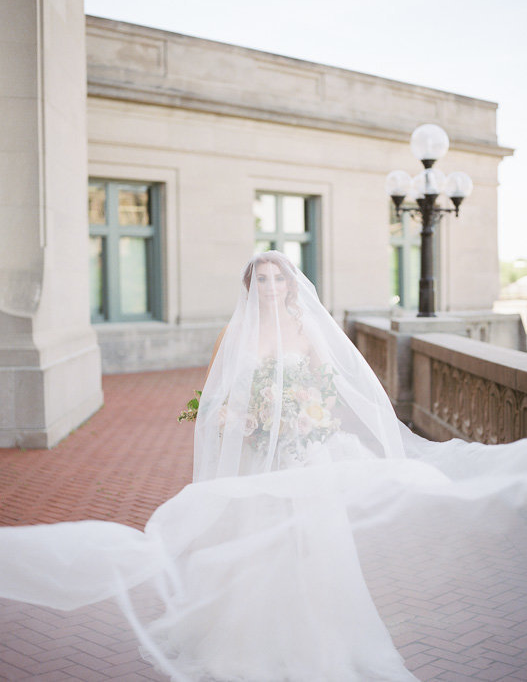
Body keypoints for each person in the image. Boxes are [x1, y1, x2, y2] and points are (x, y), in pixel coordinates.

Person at [1, 251, 527, 681]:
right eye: (262, 277)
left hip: (306, 453)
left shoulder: (306, 331)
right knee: (260, 541)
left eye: (279, 276)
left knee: (315, 545)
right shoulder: (234, 335)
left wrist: (310, 420)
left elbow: (332, 389)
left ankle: (322, 635)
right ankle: (245, 637)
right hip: (259, 457)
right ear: (250, 284)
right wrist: (240, 418)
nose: (271, 284)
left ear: (290, 284)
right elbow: (211, 400)